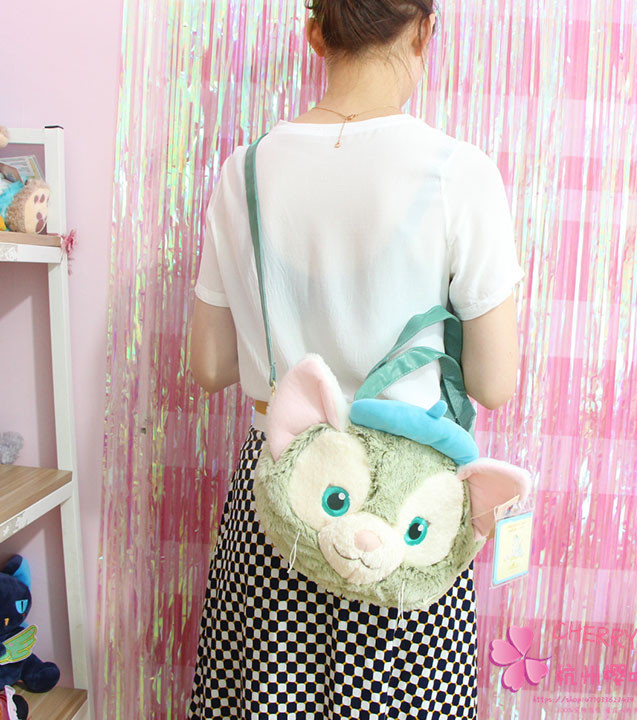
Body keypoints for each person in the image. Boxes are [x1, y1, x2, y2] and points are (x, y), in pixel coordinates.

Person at [187, 0, 525, 717]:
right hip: (408, 515)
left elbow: (210, 366)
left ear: (315, 31)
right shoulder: (460, 174)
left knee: (271, 698)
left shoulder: (245, 170)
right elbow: (494, 382)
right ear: (424, 30)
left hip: (284, 500)